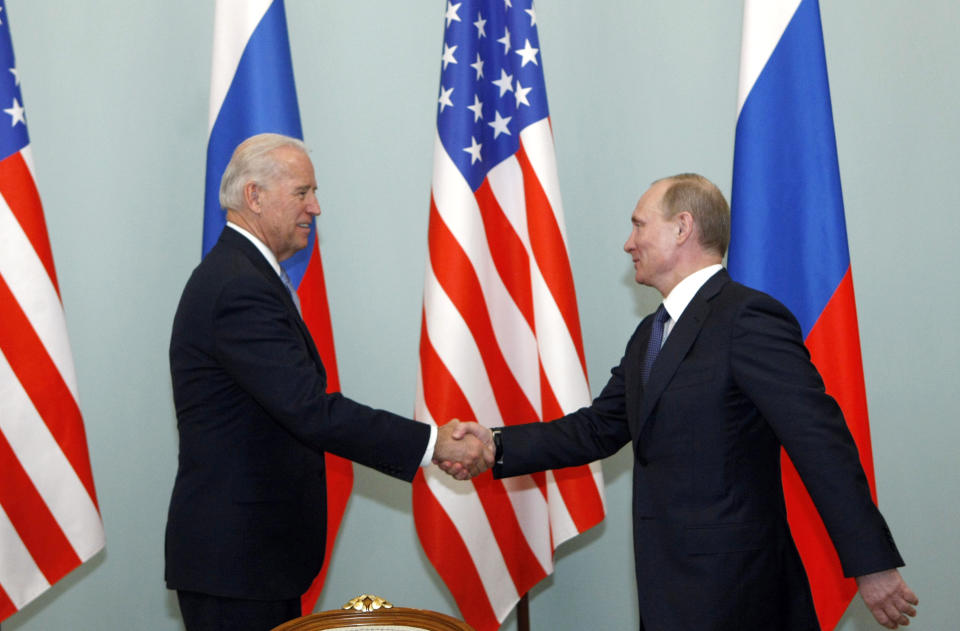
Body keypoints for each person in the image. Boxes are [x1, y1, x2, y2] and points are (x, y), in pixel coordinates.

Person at [443, 174, 918, 630]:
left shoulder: (747, 318)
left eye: (638, 224)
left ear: (683, 227)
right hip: (666, 588)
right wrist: (495, 445)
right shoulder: (651, 333)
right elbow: (596, 429)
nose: (628, 243)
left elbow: (820, 441)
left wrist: (870, 563)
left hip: (737, 594)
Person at [166, 133, 492, 631]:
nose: (315, 207)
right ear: (254, 196)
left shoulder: (246, 274)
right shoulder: (238, 286)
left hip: (251, 560)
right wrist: (432, 442)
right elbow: (311, 411)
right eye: (302, 192)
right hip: (237, 564)